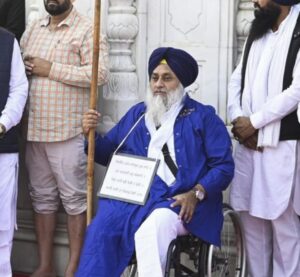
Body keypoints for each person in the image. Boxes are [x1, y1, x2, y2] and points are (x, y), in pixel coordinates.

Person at [76, 47, 234, 277]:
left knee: (149, 232)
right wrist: (89, 135)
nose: (159, 84)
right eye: (155, 77)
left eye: (167, 78)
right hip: (136, 199)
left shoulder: (204, 117)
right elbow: (107, 153)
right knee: (101, 229)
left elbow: (224, 166)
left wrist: (197, 192)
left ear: (181, 82)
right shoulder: (137, 115)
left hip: (180, 200)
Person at [20, 0, 109, 276]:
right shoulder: (34, 28)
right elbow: (20, 66)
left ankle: (73, 267)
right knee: (42, 199)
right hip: (34, 131)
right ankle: (45, 265)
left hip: (68, 131)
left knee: (75, 201)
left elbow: (100, 74)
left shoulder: (87, 29)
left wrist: (51, 69)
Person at [228, 0, 300, 276]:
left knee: (285, 229)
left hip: (281, 143)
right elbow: (237, 79)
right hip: (248, 145)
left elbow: (297, 90)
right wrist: (239, 121)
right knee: (251, 224)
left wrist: (255, 123)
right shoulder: (257, 31)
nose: (255, 2)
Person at [0, 27, 28, 277]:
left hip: (2, 150)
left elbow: (19, 88)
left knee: (1, 229)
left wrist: (3, 123)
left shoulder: (7, 41)